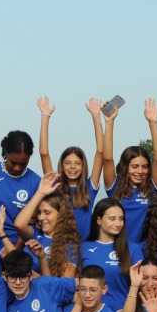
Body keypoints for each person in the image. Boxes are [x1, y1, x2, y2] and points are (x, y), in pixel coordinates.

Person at [35, 97, 104, 239]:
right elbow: (44, 153)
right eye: (68, 163)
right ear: (62, 166)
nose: (73, 167)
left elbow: (100, 152)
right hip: (60, 244)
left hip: (84, 246)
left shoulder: (89, 187)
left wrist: (96, 116)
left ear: (83, 166)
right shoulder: (55, 185)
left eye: (77, 163)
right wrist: (45, 116)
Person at [102, 97, 157, 243]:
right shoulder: (114, 187)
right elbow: (107, 159)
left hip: (144, 250)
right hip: (118, 249)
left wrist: (153, 123)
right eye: (135, 166)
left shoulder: (152, 188)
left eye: (144, 167)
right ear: (125, 167)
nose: (140, 171)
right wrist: (109, 123)